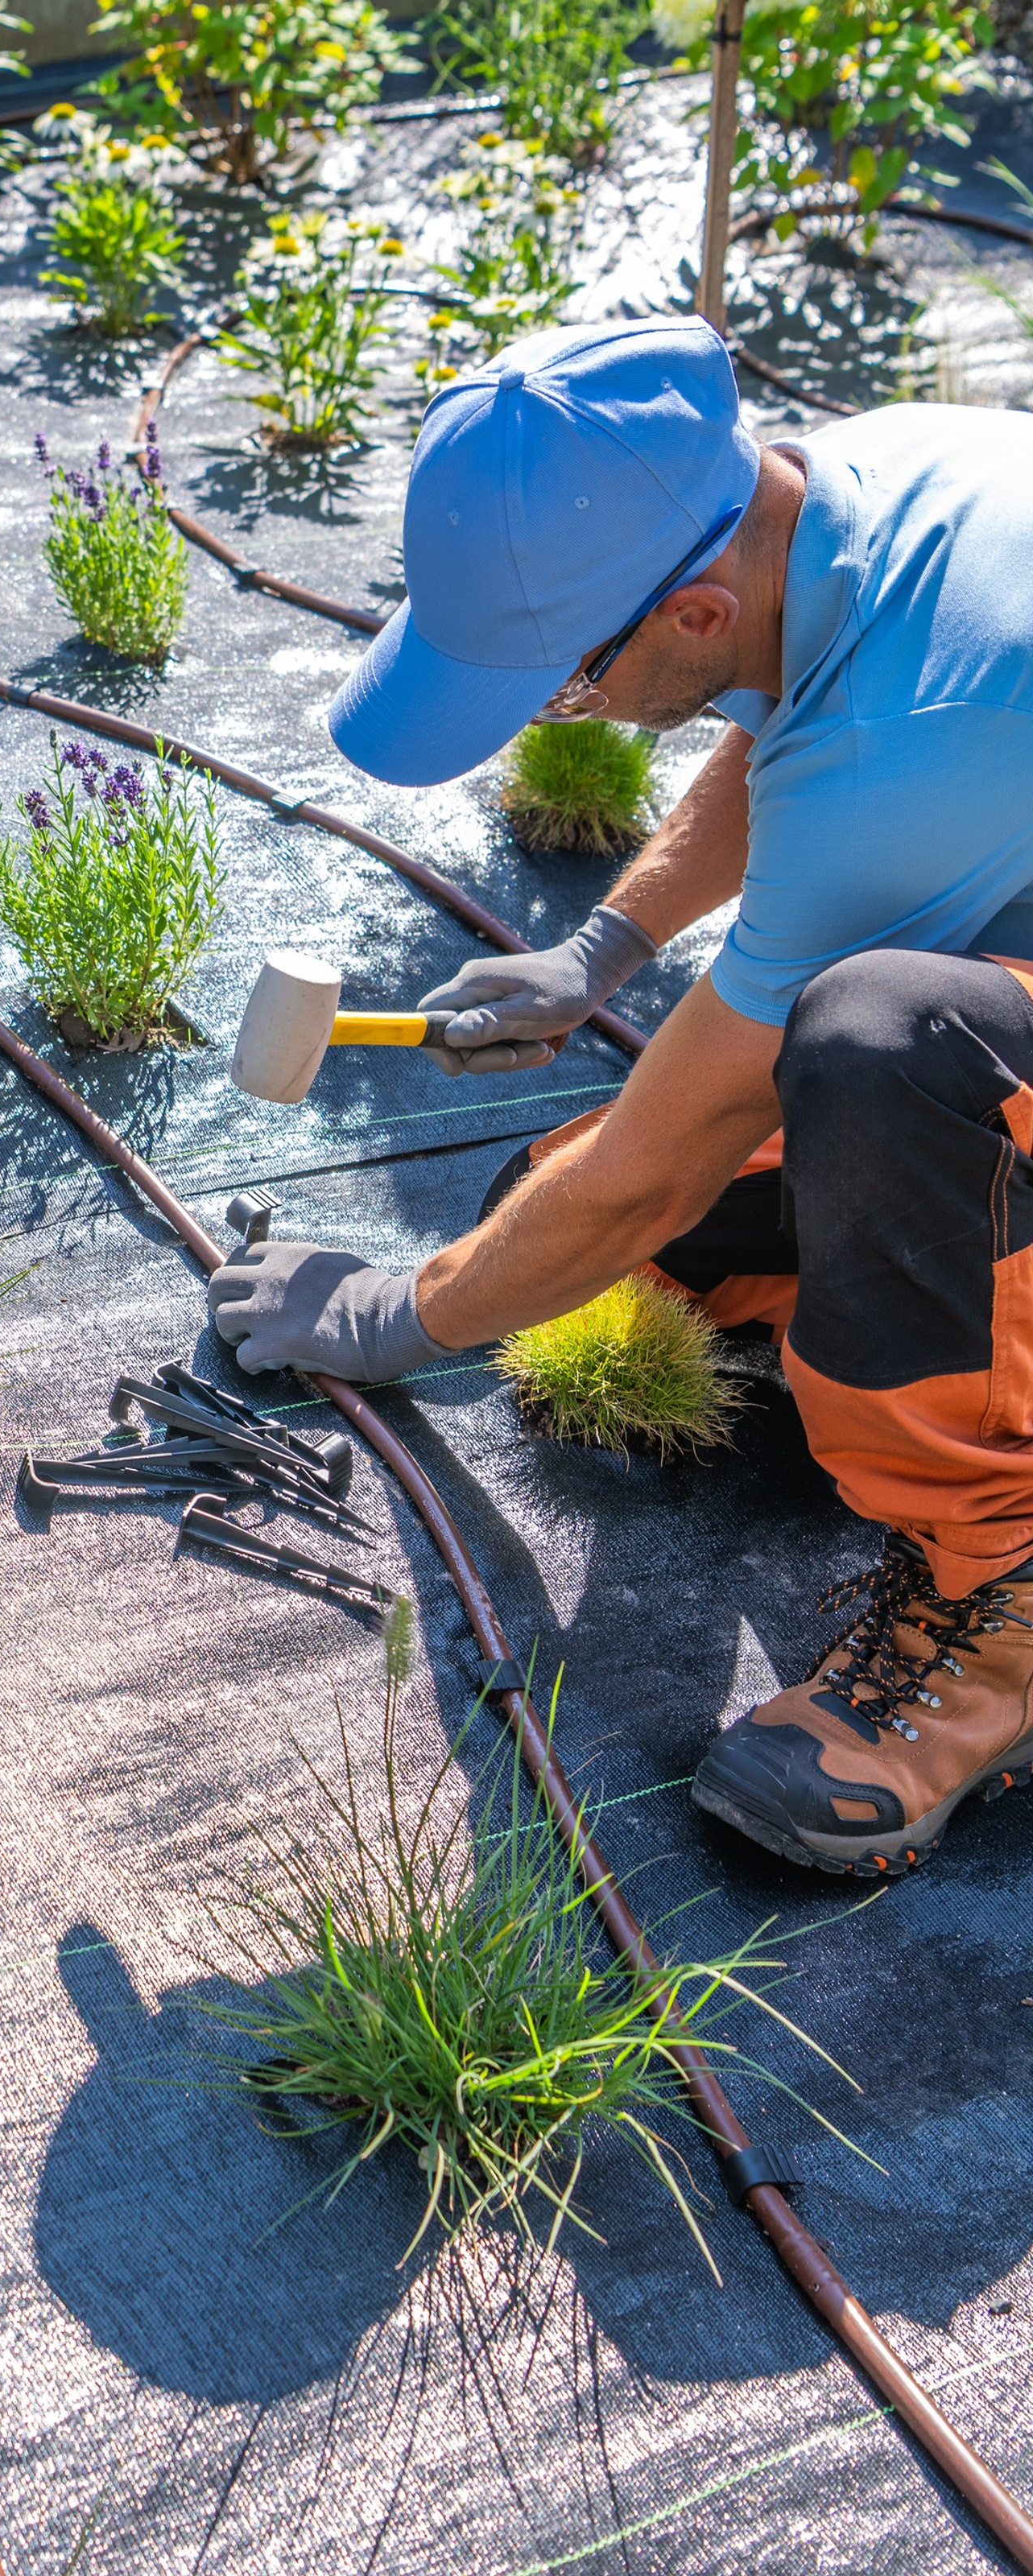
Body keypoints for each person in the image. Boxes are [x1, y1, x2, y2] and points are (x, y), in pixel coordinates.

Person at [207, 313, 1033, 1881]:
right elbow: (781, 722)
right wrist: (603, 948)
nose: (556, 713)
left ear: (692, 605)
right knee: (601, 1202)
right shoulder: (849, 494)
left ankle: (998, 1592)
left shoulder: (910, 743)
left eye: (567, 676)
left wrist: (400, 1315)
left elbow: (652, 1170)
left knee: (868, 1050)